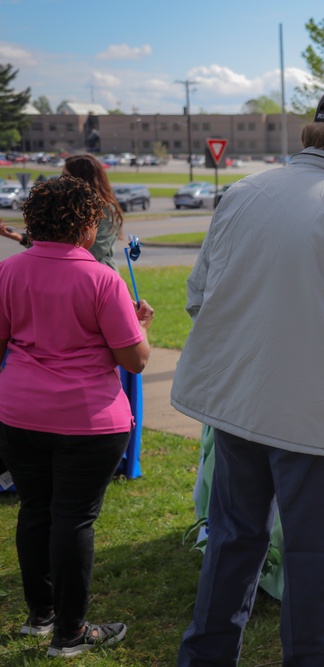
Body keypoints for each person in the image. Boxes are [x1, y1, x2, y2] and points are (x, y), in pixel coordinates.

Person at [171, 85, 324, 667]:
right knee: (316, 556)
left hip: (243, 404)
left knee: (233, 540)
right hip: (315, 421)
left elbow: (200, 298)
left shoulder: (244, 193)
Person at [0, 176, 154, 657]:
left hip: (19, 413)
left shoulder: (10, 271)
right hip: (88, 420)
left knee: (36, 510)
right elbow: (135, 360)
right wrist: (141, 325)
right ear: (88, 226)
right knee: (73, 520)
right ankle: (70, 633)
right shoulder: (101, 279)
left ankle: (41, 616)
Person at [1, 153, 125, 269]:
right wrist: (19, 237)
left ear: (82, 179)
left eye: (66, 175)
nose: (61, 180)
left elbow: (96, 250)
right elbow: (53, 241)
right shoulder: (65, 207)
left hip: (93, 275)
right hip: (63, 272)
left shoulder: (105, 209)